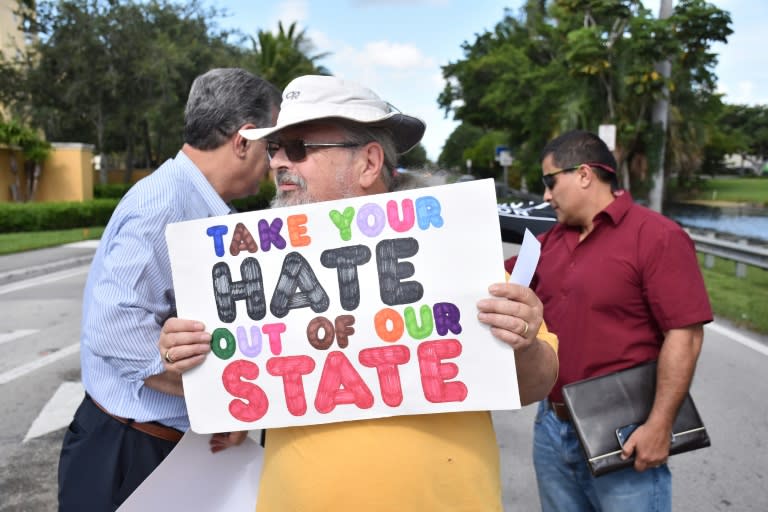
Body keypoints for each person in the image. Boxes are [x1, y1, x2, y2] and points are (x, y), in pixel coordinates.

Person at [159, 74, 559, 511]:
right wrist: (191, 356)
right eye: (273, 149)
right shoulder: (256, 265)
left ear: (368, 163)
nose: (276, 163)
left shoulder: (457, 247)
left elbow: (535, 382)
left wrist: (521, 342)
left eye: (297, 148)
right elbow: (237, 386)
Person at [57, 68, 282, 511]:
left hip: (167, 450)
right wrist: (229, 397)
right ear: (244, 140)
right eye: (270, 147)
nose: (274, 162)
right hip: (130, 453)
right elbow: (113, 332)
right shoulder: (165, 203)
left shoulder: (199, 203)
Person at [504, 130, 713, 512]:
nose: (546, 196)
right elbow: (496, 287)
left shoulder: (657, 236)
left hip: (626, 433)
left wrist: (660, 427)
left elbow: (685, 336)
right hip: (551, 426)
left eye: (550, 182)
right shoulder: (548, 241)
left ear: (584, 174)